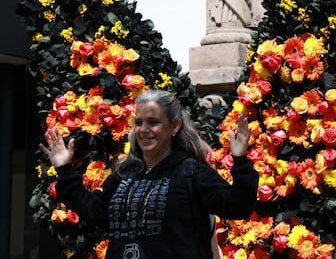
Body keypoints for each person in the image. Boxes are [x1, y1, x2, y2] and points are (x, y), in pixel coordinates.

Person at [40, 89, 259, 259]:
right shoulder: (124, 175)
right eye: (139, 123)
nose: (144, 130)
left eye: (153, 122)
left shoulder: (192, 173)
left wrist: (240, 161)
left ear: (174, 126)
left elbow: (237, 206)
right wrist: (64, 170)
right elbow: (94, 211)